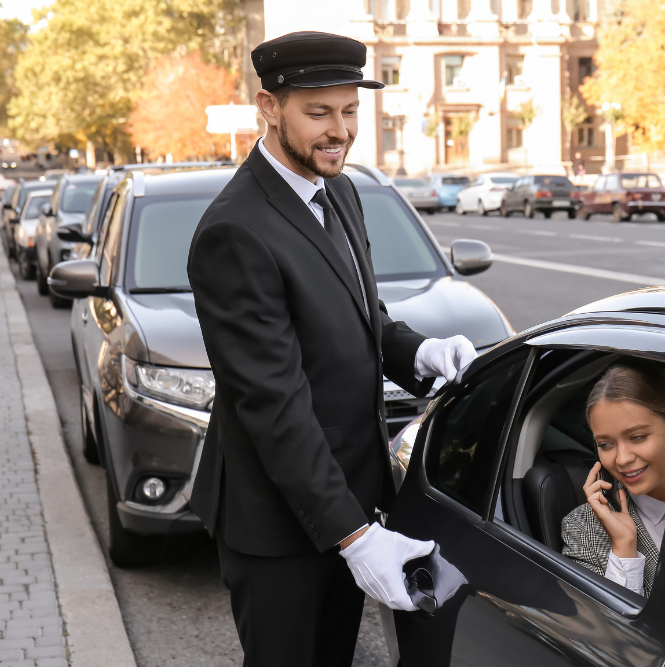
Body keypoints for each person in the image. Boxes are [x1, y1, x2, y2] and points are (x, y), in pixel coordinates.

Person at [186, 31, 477, 666]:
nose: (338, 130)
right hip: (278, 527)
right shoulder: (235, 231)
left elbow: (358, 314)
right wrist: (353, 536)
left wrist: (419, 352)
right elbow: (274, 406)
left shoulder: (340, 190)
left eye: (349, 111)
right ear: (270, 107)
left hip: (349, 506)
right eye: (318, 112)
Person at [560, 361, 665, 598]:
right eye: (606, 444)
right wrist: (624, 549)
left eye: (637, 437)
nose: (622, 459)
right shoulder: (584, 529)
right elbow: (606, 630)